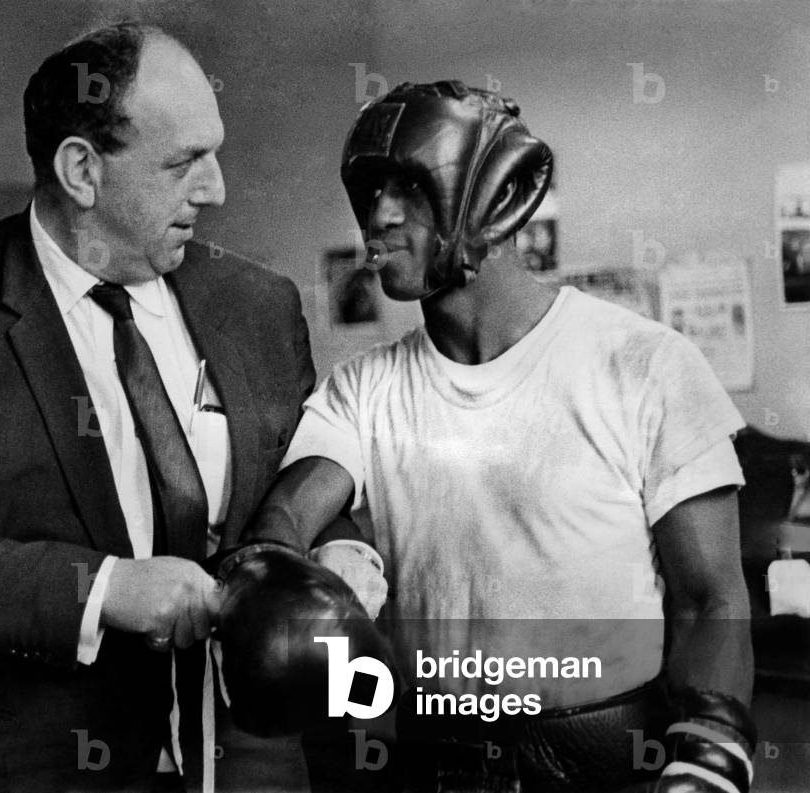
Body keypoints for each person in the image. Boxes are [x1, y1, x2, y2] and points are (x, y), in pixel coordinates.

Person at [0, 21, 366, 793]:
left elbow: (298, 488)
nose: (217, 188)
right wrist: (103, 589)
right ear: (81, 169)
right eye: (184, 164)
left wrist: (345, 551)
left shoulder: (259, 304)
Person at [245, 82, 756, 793]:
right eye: (370, 193)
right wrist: (280, 564)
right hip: (431, 766)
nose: (379, 217)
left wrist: (708, 760)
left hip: (608, 767)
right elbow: (288, 514)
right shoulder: (361, 391)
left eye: (411, 189)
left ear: (496, 199)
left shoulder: (646, 365)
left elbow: (711, 599)